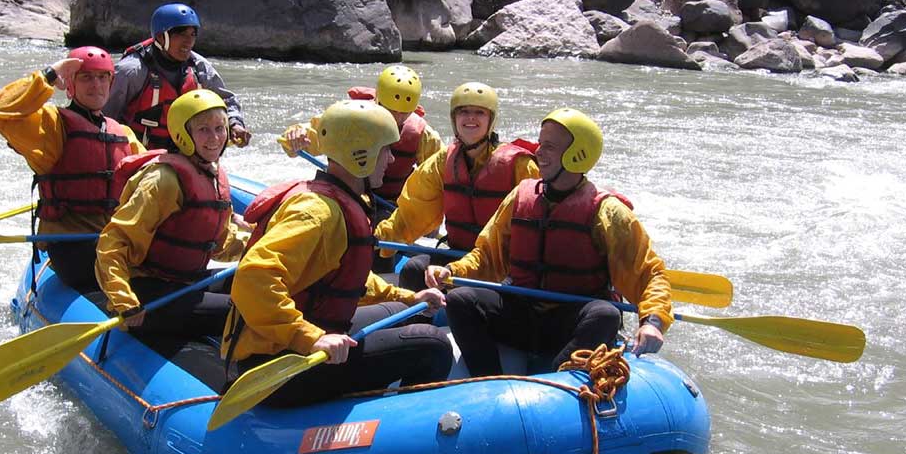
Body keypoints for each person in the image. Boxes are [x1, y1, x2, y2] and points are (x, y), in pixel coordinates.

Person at [222, 99, 453, 406]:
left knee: (402, 313)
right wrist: (311, 337)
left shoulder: (340, 200)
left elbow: (349, 277)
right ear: (362, 155)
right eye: (385, 150)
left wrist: (411, 298)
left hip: (306, 335)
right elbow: (253, 278)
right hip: (279, 361)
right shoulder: (318, 213)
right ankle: (392, 428)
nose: (391, 159)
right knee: (434, 345)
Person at [426, 108, 673, 376]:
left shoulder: (608, 213)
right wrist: (453, 271)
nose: (539, 152)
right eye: (540, 144)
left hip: (568, 323)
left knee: (606, 315)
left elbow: (649, 273)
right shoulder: (521, 197)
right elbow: (486, 256)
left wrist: (653, 321)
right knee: (461, 299)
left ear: (578, 155)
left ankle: (559, 381)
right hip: (520, 314)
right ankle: (489, 379)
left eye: (550, 147)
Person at [0, 46, 145, 291]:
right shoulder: (52, 126)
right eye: (86, 77)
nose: (96, 85)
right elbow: (1, 112)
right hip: (73, 246)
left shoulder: (122, 133)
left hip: (111, 239)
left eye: (103, 77)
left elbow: (151, 179)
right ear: (70, 84)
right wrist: (50, 74)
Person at [95, 90, 250, 337]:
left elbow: (220, 244)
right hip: (148, 290)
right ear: (183, 134)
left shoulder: (211, 174)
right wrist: (123, 298)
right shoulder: (163, 181)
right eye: (204, 130)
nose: (215, 137)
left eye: (220, 128)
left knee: (256, 283)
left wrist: (257, 242)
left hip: (186, 281)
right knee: (247, 311)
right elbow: (113, 242)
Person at [373, 82, 539, 291]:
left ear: (491, 119)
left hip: (499, 264)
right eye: (464, 112)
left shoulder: (520, 166)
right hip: (457, 253)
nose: (470, 118)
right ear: (454, 119)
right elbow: (412, 212)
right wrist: (377, 239)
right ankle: (417, 316)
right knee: (414, 270)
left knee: (463, 294)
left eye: (479, 112)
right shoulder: (443, 161)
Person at [280, 64, 444, 273]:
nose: (397, 118)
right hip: (346, 192)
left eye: (404, 113)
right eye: (390, 110)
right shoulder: (353, 116)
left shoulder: (423, 134)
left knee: (382, 226)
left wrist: (434, 217)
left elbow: (440, 174)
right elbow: (312, 135)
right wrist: (297, 136)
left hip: (389, 205)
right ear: (378, 100)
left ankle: (381, 276)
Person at [105, 3, 251, 150]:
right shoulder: (131, 71)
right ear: (161, 37)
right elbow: (105, 118)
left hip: (186, 153)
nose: (188, 41)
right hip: (140, 154)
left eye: (192, 34)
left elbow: (226, 100)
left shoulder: (199, 68)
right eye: (181, 34)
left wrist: (235, 124)